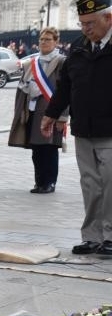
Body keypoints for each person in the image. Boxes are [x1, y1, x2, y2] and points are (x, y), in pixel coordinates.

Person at [42, 1, 112, 256]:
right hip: (84, 128)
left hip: (110, 129)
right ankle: (92, 237)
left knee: (110, 183)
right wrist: (51, 114)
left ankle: (110, 235)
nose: (86, 29)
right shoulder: (79, 47)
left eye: (90, 24)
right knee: (90, 185)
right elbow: (65, 86)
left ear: (109, 19)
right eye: (82, 24)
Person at [8, 27, 67, 194]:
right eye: (42, 39)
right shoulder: (32, 62)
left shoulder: (62, 61)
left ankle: (50, 182)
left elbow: (66, 91)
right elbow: (23, 86)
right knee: (36, 149)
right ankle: (39, 181)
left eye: (48, 39)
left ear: (56, 42)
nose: (44, 42)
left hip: (51, 111)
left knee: (49, 149)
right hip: (33, 109)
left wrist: (63, 116)